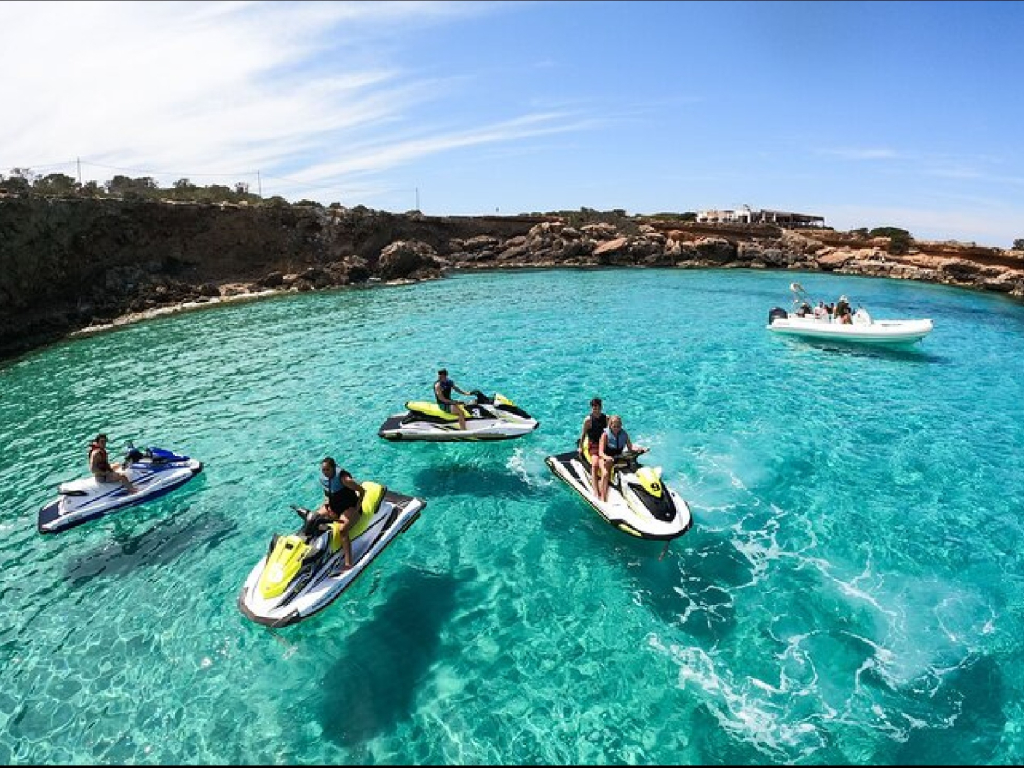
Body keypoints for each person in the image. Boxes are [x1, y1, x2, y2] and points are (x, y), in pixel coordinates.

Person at [317, 456, 365, 572]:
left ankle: (348, 563)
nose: (325, 472)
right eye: (323, 470)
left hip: (349, 506)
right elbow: (327, 494)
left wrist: (357, 508)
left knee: (342, 530)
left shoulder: (345, 479)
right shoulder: (324, 478)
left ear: (333, 468)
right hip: (335, 507)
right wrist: (327, 507)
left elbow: (362, 491)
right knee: (315, 518)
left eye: (327, 470)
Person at [597, 415, 645, 503]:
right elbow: (600, 452)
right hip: (605, 458)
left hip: (618, 457)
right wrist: (607, 457)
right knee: (605, 473)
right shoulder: (605, 435)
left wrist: (640, 449)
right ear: (610, 425)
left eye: (618, 426)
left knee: (634, 468)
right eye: (614, 426)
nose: (616, 428)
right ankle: (602, 497)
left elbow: (630, 448)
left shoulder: (624, 434)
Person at [579, 397, 608, 492]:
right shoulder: (588, 420)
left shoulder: (606, 418)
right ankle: (595, 489)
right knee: (595, 464)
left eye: (598, 408)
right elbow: (583, 434)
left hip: (603, 444)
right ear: (592, 408)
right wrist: (580, 447)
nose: (596, 410)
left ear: (601, 407)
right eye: (594, 408)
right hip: (594, 444)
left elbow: (611, 432)